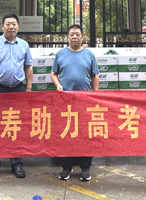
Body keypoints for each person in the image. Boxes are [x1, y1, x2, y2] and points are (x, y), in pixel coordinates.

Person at [0, 13, 33, 180]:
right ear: (2, 26)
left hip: (17, 90)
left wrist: (28, 88)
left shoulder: (23, 45)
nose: (11, 27)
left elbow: (28, 67)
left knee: (16, 127)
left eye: (14, 24)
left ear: (18, 27)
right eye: (8, 24)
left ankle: (17, 163)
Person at [51, 25, 100, 182]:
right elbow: (53, 73)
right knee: (66, 132)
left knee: (85, 133)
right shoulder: (60, 54)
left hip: (85, 101)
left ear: (82, 37)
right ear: (67, 37)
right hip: (65, 101)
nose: (74, 37)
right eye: (71, 34)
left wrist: (96, 95)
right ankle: (66, 167)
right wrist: (58, 85)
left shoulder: (89, 54)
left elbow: (95, 76)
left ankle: (85, 167)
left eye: (77, 34)